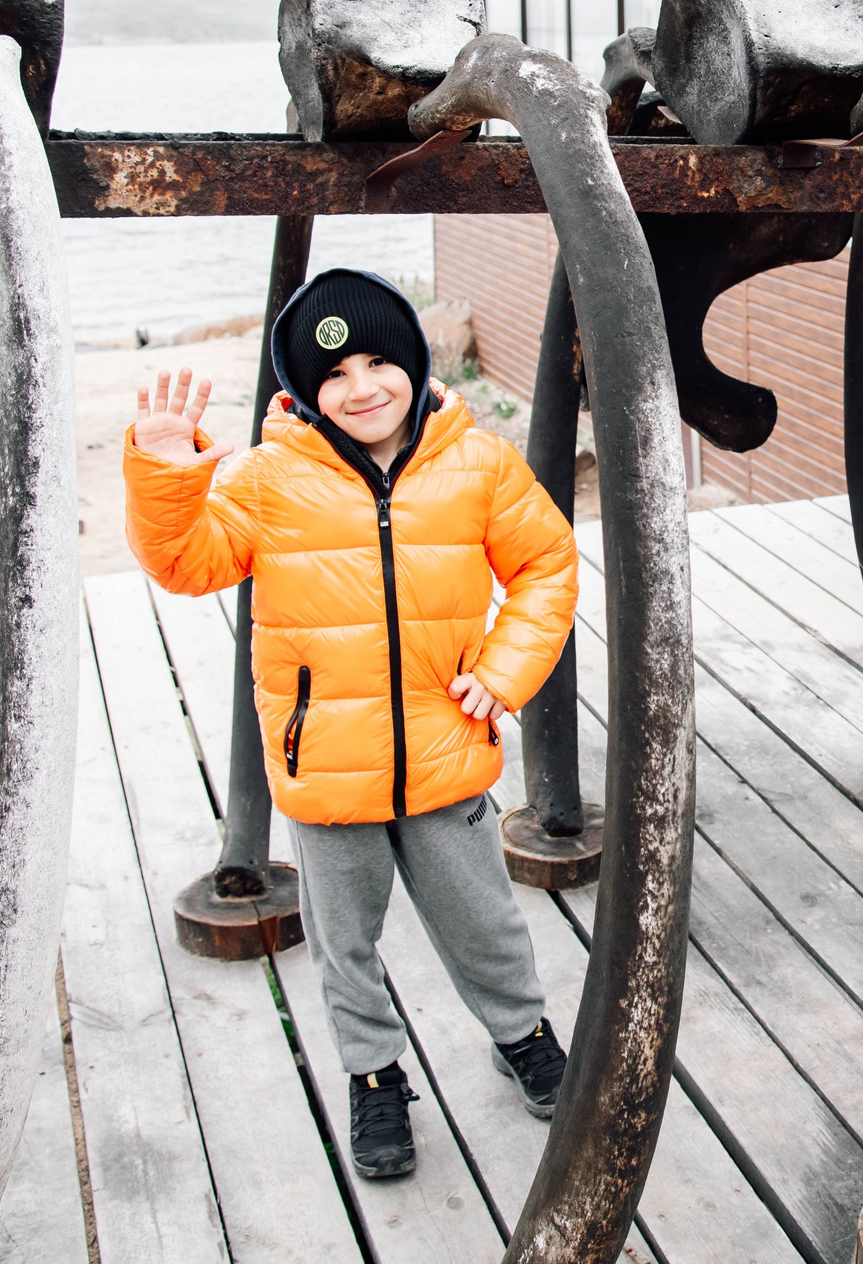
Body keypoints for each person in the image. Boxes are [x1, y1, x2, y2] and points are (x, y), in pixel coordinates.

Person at [124, 267, 577, 1180]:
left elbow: (547, 564)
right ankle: (375, 1078)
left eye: (379, 360)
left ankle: (522, 1033)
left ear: (413, 358)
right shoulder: (264, 478)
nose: (362, 387)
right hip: (326, 766)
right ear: (302, 389)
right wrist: (167, 474)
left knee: (484, 919)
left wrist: (506, 666)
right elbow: (184, 563)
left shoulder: (477, 464)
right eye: (334, 374)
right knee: (346, 941)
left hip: (447, 748)